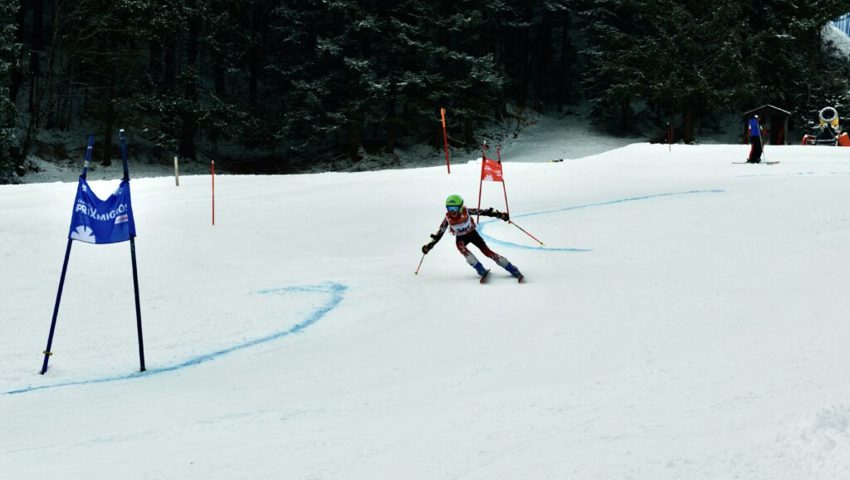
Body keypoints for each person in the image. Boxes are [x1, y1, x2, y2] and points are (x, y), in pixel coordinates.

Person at [421, 194, 523, 280]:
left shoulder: (467, 211)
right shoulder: (447, 219)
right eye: (449, 208)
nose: (452, 211)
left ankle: (511, 267)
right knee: (466, 253)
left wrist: (499, 215)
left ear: (460, 207)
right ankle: (480, 269)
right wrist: (429, 246)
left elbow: (484, 212)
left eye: (455, 208)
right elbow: (439, 234)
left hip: (473, 235)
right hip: (460, 239)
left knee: (487, 252)